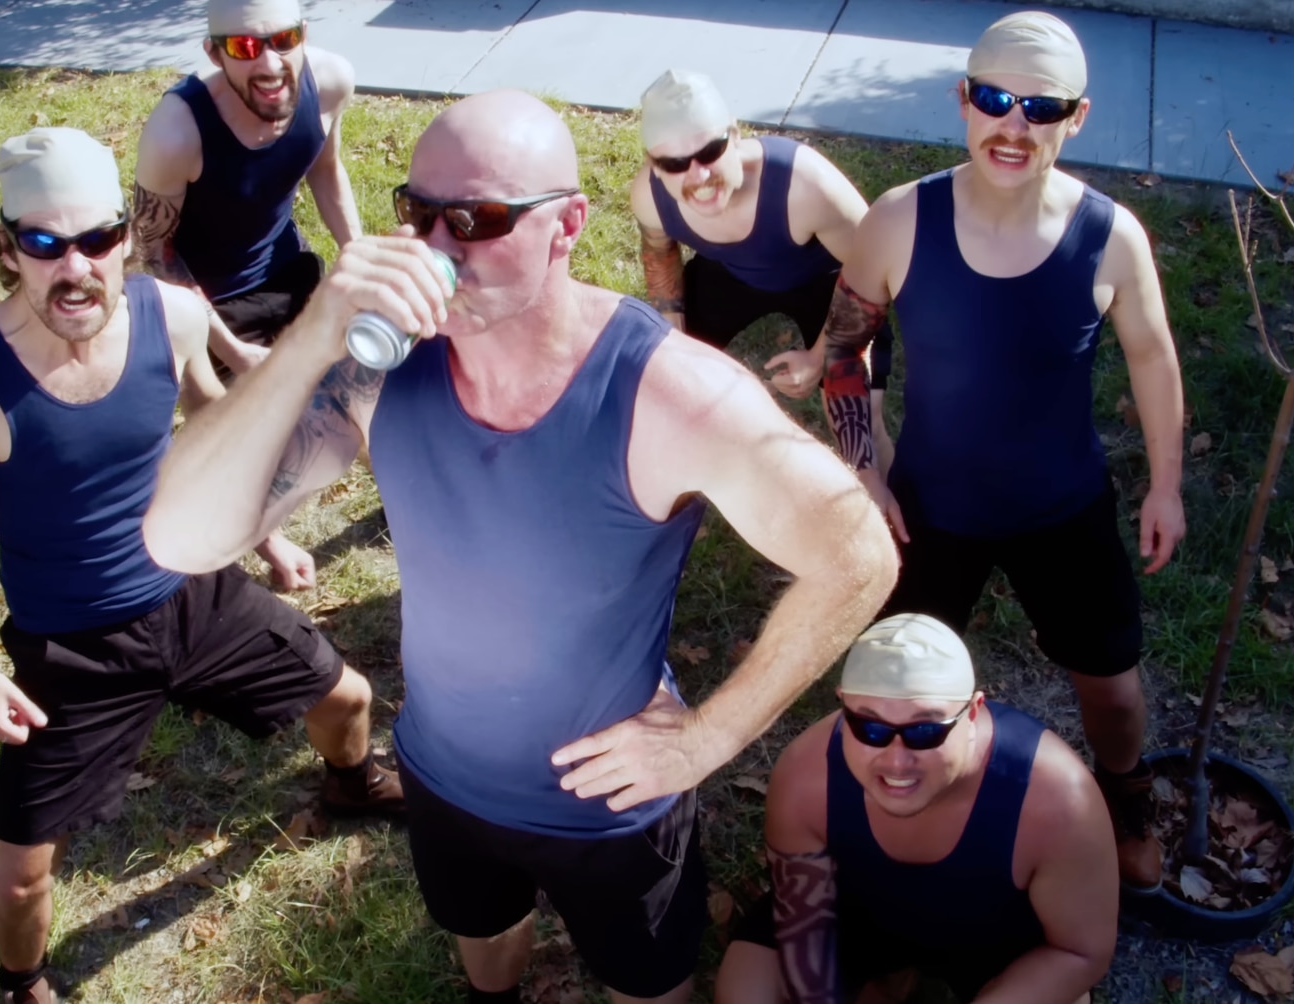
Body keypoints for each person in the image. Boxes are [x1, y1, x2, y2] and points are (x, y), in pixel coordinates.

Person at [143, 90, 898, 1004]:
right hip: (440, 775)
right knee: (483, 940)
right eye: (418, 215)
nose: (438, 249)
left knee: (646, 986)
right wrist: (311, 338)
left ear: (568, 225)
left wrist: (709, 739)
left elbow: (858, 552)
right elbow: (181, 537)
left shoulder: (674, 392)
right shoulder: (383, 370)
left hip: (614, 810)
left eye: (477, 219)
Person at [0, 128, 401, 1004]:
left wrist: (264, 532)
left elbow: (217, 424)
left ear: (124, 236)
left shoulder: (168, 314)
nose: (75, 267)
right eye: (45, 245)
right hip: (71, 648)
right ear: (9, 249)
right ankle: (22, 985)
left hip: (192, 590)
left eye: (95, 239)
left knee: (352, 701)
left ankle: (350, 787)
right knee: (16, 882)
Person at [817, 10, 1185, 889]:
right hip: (930, 509)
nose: (1013, 125)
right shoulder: (900, 221)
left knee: (1112, 687)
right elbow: (842, 348)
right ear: (963, 101)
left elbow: (1151, 354)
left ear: (1076, 118)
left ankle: (1125, 802)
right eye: (993, 99)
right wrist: (863, 464)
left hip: (1062, 505)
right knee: (895, 693)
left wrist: (1164, 484)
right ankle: (885, 833)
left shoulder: (1110, 237)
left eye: (1040, 107)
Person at [715, 613, 1117, 1004]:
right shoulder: (807, 776)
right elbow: (802, 923)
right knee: (745, 989)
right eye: (870, 727)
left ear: (973, 713)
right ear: (843, 707)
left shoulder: (1056, 798)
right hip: (858, 917)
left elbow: (1080, 951)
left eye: (925, 730)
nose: (896, 760)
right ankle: (889, 977)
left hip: (994, 937)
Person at [133, 0, 362, 589]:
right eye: (243, 47)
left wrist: (358, 256)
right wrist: (232, 349)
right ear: (214, 53)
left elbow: (325, 168)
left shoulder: (329, 82)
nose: (269, 62)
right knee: (229, 417)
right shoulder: (176, 131)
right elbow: (155, 254)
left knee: (377, 371)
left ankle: (411, 488)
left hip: (285, 271)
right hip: (203, 297)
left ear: (303, 36)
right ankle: (263, 535)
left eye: (283, 39)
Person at [630, 69, 894, 470]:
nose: (698, 176)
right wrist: (676, 340)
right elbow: (659, 252)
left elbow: (873, 273)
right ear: (654, 165)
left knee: (860, 430)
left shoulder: (804, 184)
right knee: (659, 382)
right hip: (729, 274)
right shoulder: (649, 195)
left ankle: (887, 518)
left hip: (832, 281)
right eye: (675, 163)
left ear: (734, 136)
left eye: (711, 151)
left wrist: (822, 354)